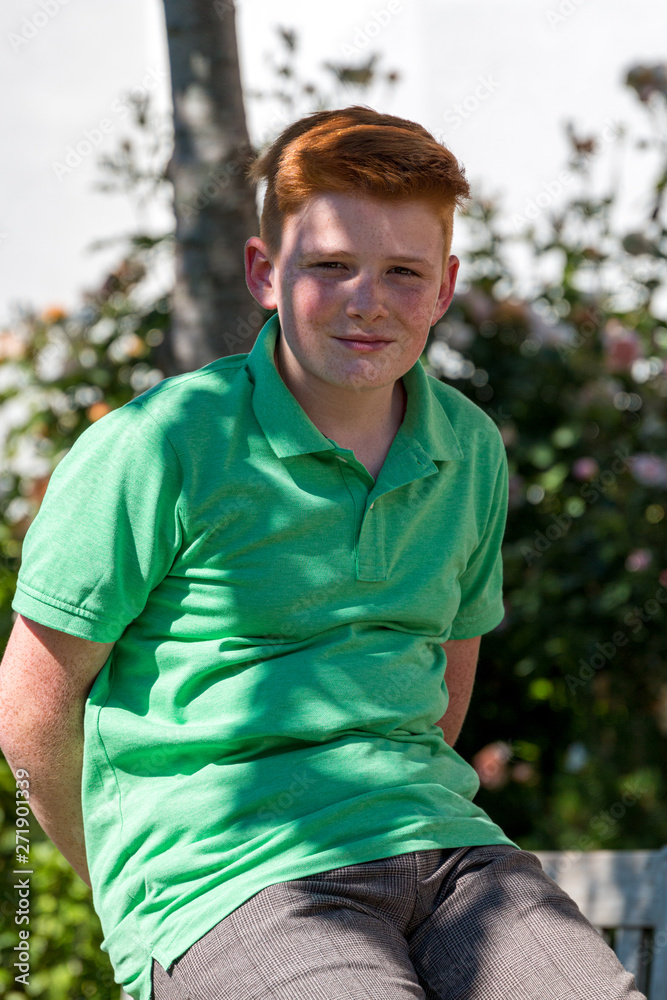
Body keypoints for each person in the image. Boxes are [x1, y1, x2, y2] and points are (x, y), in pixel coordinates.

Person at [0, 106, 645, 1000]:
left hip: (446, 852)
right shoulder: (160, 446)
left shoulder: (469, 449)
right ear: (266, 272)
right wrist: (132, 892)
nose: (366, 300)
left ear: (446, 285)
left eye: (402, 272)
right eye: (331, 265)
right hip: (230, 875)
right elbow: (34, 704)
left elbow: (442, 690)